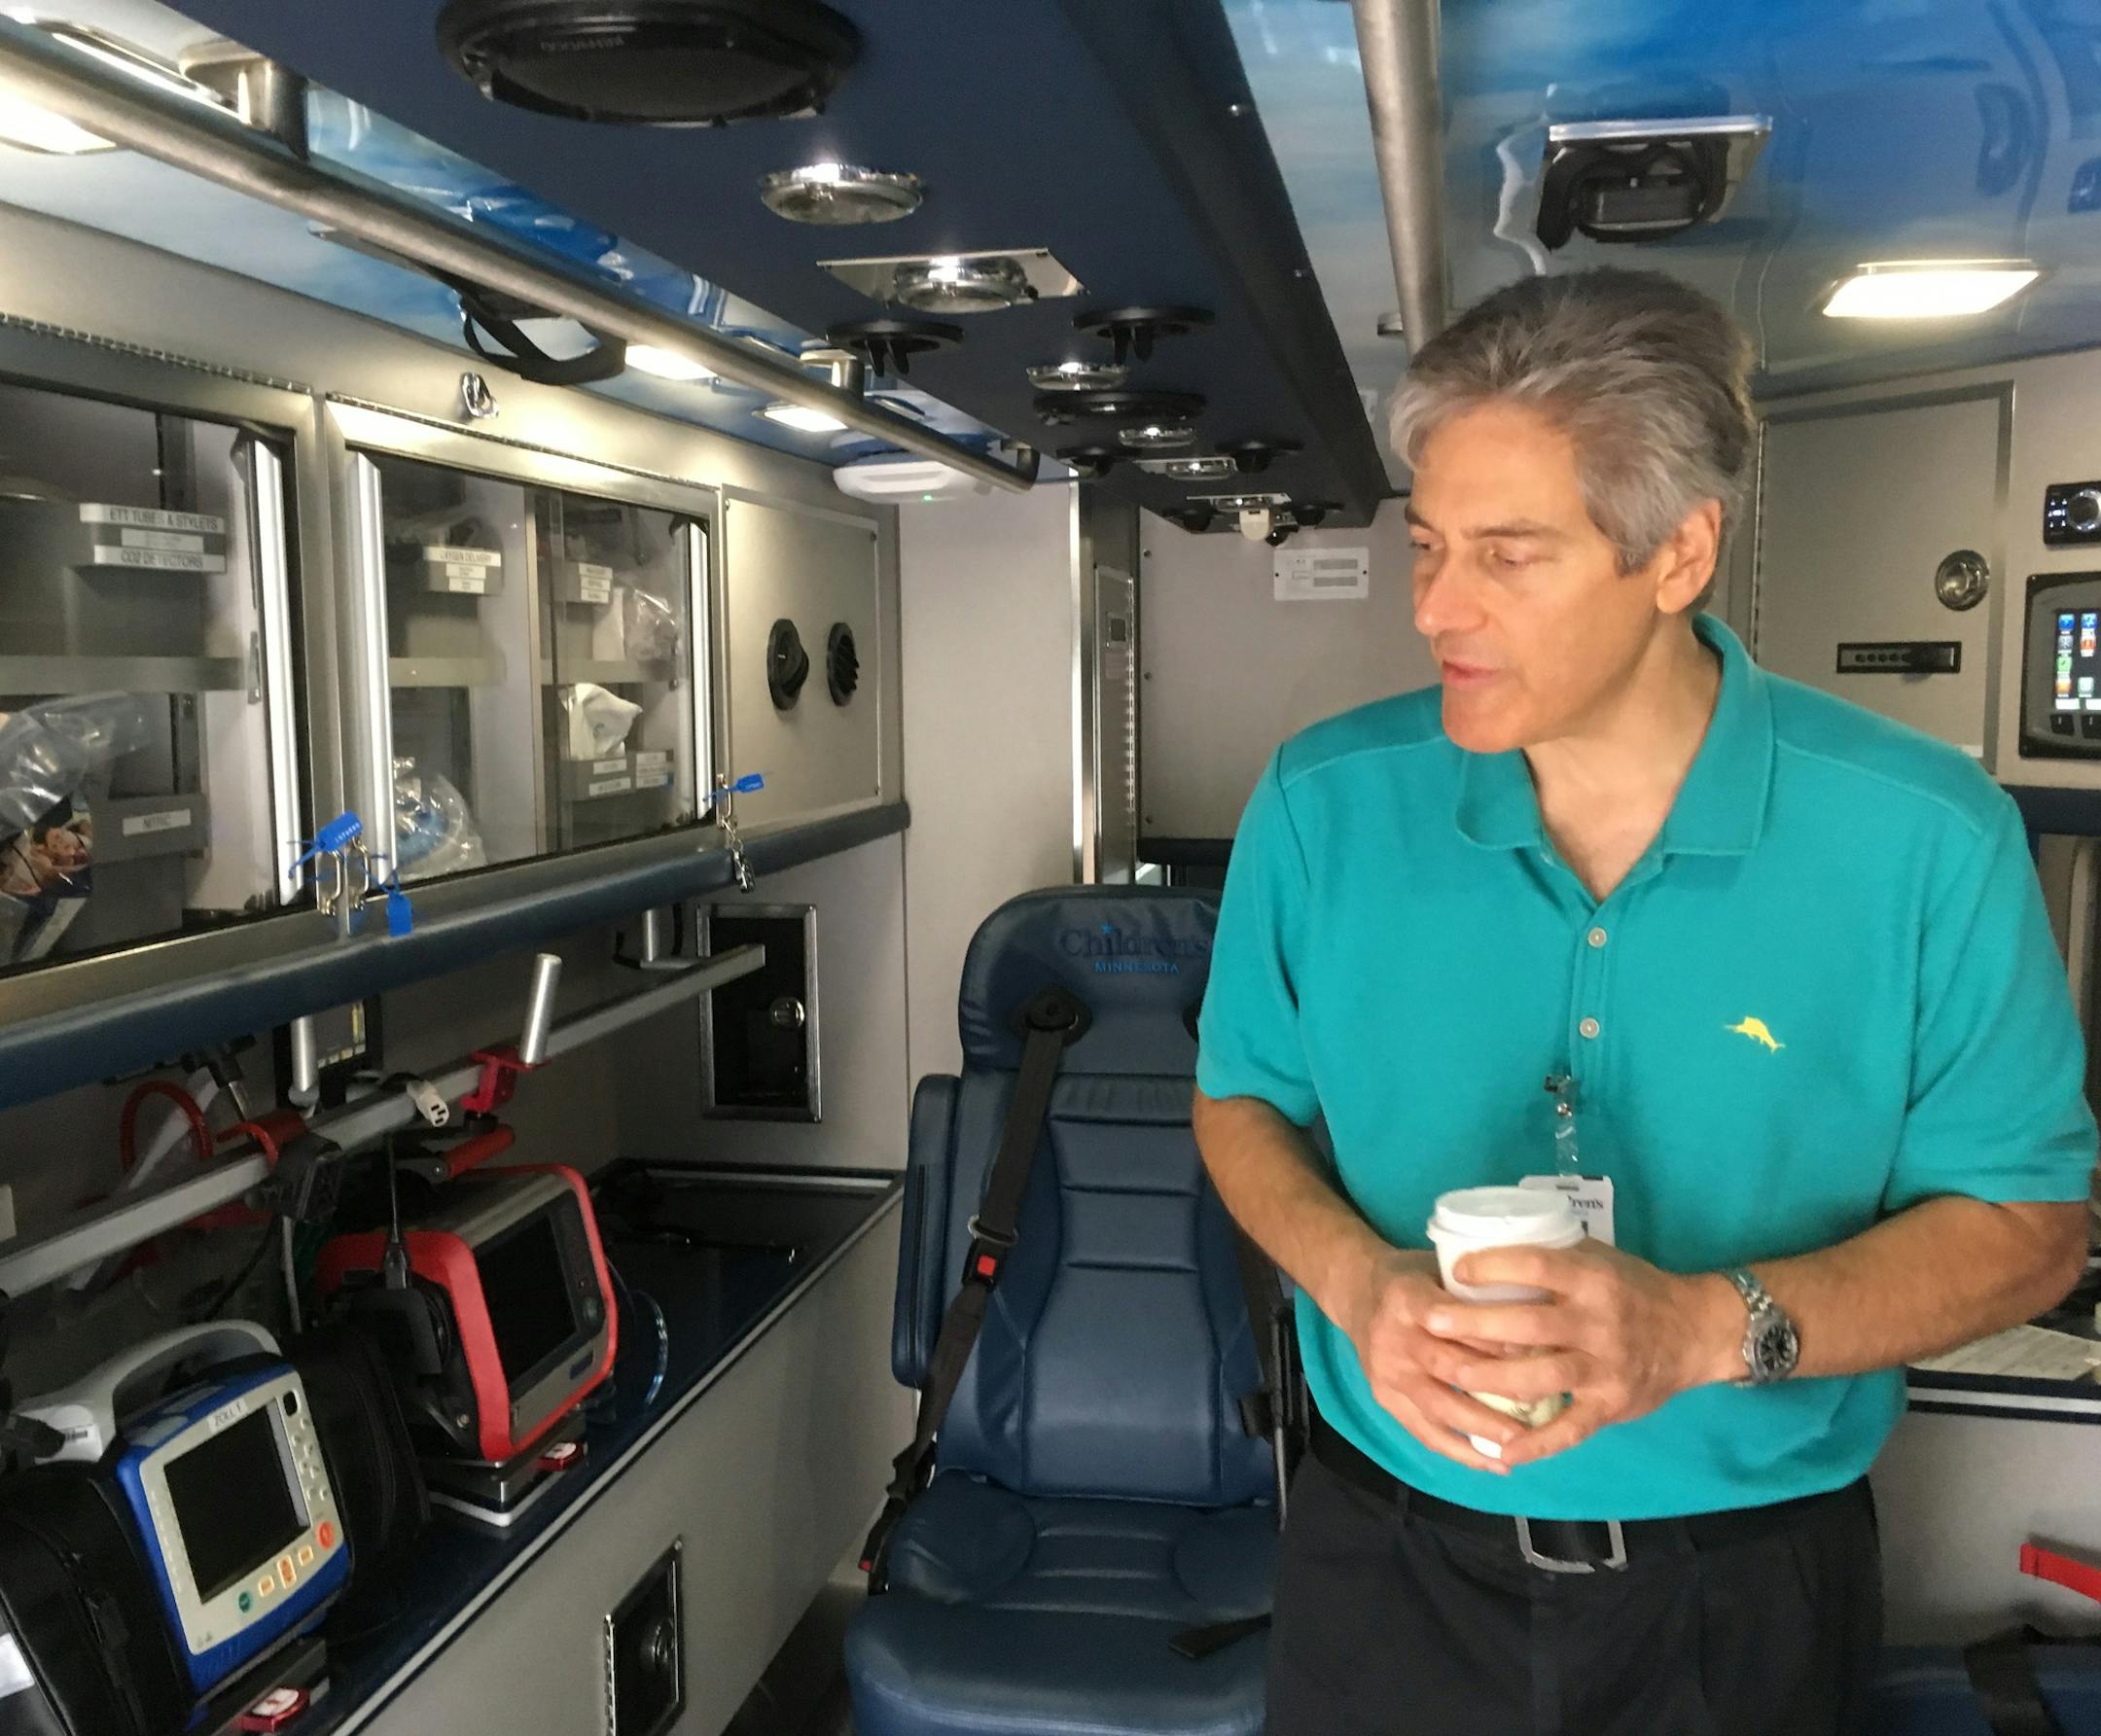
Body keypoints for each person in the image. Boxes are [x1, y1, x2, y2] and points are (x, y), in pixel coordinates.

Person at [1193, 266, 2098, 1734]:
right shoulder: (1320, 803)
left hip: (1742, 1594)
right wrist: (1358, 1285)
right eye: (1427, 545)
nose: (1436, 606)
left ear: (1680, 553)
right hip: (1385, 1561)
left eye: (1508, 555)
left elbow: (2029, 1229)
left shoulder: (1927, 838)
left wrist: (1698, 1330)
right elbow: (1242, 1103)